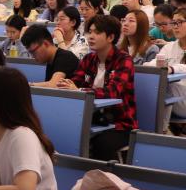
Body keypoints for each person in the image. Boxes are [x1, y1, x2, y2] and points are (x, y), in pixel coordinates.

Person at [58, 15, 137, 160]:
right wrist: (65, 85)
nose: (91, 36)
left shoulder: (124, 60)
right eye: (90, 32)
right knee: (63, 133)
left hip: (119, 124)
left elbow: (113, 92)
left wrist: (80, 91)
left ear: (110, 37)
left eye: (97, 32)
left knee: (101, 144)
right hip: (91, 118)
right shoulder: (89, 59)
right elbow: (75, 82)